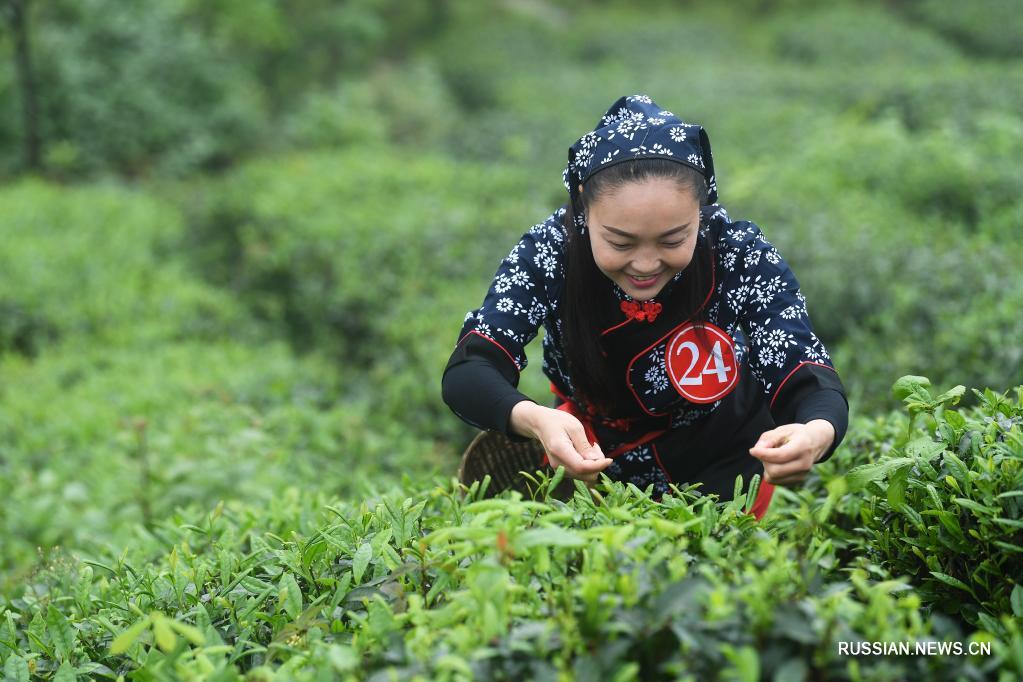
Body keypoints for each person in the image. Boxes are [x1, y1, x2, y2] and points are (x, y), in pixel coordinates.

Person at [441, 94, 848, 518]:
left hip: (727, 451)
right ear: (583, 203)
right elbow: (472, 369)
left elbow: (803, 368)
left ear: (702, 208)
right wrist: (534, 418)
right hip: (596, 457)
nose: (646, 264)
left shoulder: (736, 253)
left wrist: (815, 431)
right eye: (621, 242)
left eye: (673, 240)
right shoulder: (552, 252)